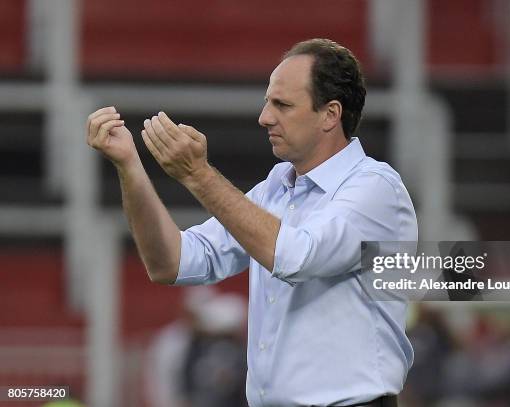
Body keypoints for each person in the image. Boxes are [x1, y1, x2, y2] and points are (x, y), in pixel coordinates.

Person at [87, 38, 417, 407]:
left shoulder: (374, 188)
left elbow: (296, 257)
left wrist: (198, 175)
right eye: (267, 102)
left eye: (283, 105)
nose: (265, 117)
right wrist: (129, 166)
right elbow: (171, 262)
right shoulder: (276, 188)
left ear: (330, 114)